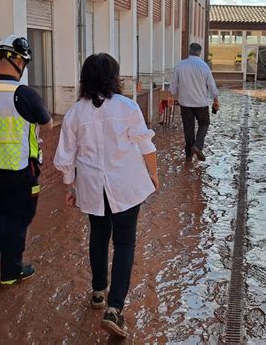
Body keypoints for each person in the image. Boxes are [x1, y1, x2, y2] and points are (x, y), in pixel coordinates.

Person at [53, 53, 159, 338]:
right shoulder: (126, 106)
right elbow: (146, 145)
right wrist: (154, 175)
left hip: (91, 187)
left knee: (98, 236)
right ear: (115, 77)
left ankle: (98, 292)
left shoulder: (76, 112)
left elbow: (66, 154)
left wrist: (69, 186)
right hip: (125, 186)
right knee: (125, 243)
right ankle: (115, 309)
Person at [0, 34, 53, 287]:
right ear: (18, 61)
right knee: (18, 216)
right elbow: (48, 125)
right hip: (20, 168)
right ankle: (11, 271)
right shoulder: (25, 94)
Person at [170, 43, 219, 162]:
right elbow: (211, 85)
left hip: (185, 103)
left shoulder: (180, 65)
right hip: (201, 103)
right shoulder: (204, 66)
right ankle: (198, 145)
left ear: (189, 51)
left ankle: (188, 154)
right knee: (204, 123)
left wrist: (171, 96)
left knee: (188, 128)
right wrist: (216, 99)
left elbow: (173, 85)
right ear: (200, 52)